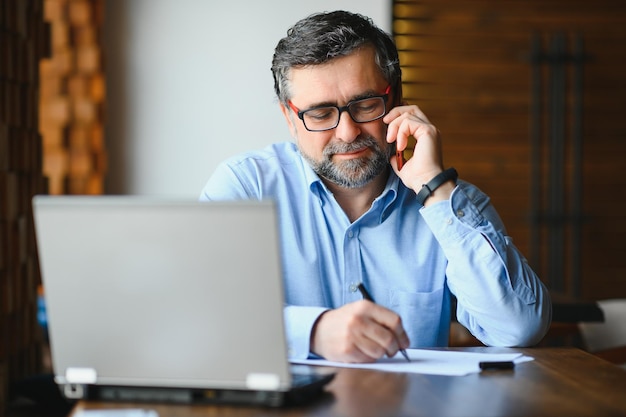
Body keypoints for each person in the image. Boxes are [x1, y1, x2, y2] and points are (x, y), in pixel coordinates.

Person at [200, 10, 551, 363]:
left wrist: (435, 191)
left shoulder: (450, 204)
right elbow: (195, 312)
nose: (348, 132)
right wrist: (314, 332)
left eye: (365, 104)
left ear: (396, 98)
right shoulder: (246, 188)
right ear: (290, 119)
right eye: (321, 114)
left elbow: (519, 327)